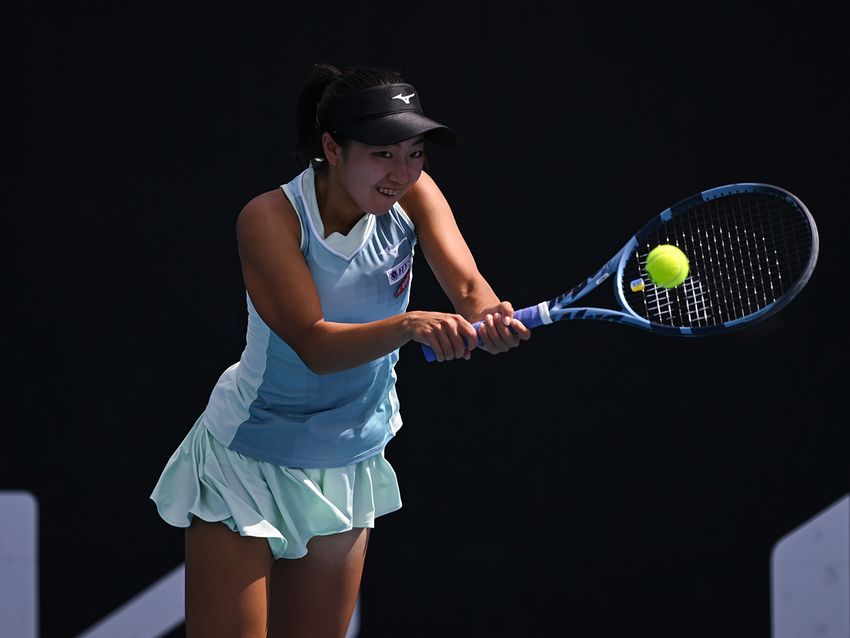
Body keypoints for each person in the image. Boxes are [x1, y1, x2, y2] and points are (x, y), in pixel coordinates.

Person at [149, 62, 531, 638]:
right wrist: (410, 325)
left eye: (415, 153)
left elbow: (470, 288)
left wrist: (490, 318)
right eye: (383, 154)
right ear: (331, 148)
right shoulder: (270, 218)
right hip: (247, 459)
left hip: (347, 460)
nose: (402, 172)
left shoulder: (415, 196)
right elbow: (315, 346)